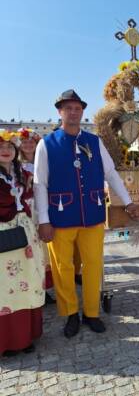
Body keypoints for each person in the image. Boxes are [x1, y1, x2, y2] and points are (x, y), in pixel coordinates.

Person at [33, 89, 139, 338]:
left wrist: (128, 201)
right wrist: (44, 221)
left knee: (93, 265)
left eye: (77, 108)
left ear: (82, 112)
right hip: (60, 218)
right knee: (63, 267)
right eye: (68, 108)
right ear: (60, 111)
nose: (73, 112)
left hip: (92, 215)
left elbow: (111, 174)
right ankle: (70, 313)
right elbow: (40, 184)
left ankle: (91, 312)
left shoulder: (94, 141)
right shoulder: (46, 144)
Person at [0, 129, 46, 356]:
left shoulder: (21, 172)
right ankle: (8, 341)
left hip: (26, 234)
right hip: (3, 236)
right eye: (0, 148)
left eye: (9, 147)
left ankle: (25, 337)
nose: (5, 151)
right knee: (5, 290)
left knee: (29, 281)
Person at [18, 127, 56, 305]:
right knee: (30, 249)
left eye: (31, 142)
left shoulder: (45, 161)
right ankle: (32, 287)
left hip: (44, 207)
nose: (27, 145)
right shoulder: (15, 165)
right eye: (24, 142)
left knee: (45, 249)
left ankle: (46, 287)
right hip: (27, 210)